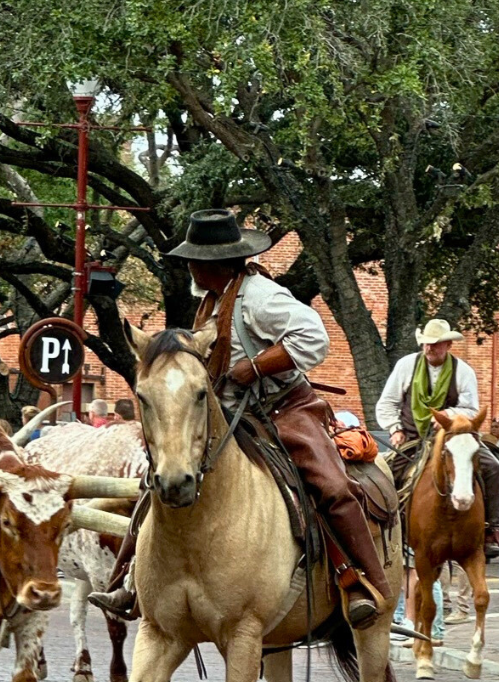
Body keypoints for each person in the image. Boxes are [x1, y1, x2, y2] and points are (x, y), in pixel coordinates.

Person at [90, 209, 392, 630]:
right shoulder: (211, 301)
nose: (190, 267)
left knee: (332, 485)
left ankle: (364, 583)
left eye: (195, 259)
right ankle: (129, 581)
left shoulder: (262, 296)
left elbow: (313, 337)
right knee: (159, 478)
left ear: (214, 263)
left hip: (285, 407)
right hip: (232, 413)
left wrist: (256, 366)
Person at [375, 318, 499, 562]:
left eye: (435, 344)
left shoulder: (463, 371)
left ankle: (491, 529)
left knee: (494, 468)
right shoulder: (406, 366)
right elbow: (387, 402)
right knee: (384, 473)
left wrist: (449, 417)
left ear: (448, 345)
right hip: (412, 436)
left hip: (453, 436)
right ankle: (385, 528)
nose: (429, 348)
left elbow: (471, 409)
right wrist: (395, 428)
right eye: (426, 343)